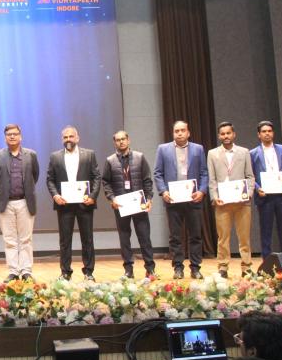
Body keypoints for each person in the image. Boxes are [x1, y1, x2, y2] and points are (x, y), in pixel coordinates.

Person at [153, 120, 208, 280]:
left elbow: (204, 173)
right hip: (173, 200)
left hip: (193, 199)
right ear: (173, 133)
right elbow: (158, 173)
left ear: (188, 133)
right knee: (175, 236)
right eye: (176, 131)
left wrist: (202, 191)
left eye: (183, 130)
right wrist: (163, 191)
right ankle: (178, 268)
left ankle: (195, 268)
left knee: (195, 235)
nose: (180, 133)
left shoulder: (198, 149)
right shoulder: (163, 149)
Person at [46, 125, 101, 281]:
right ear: (62, 139)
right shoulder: (55, 157)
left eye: (71, 136)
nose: (68, 139)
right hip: (64, 205)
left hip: (85, 203)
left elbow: (96, 177)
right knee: (65, 240)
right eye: (65, 137)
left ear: (77, 138)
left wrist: (93, 196)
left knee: (87, 239)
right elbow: (50, 179)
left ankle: (88, 272)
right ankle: (65, 272)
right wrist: (56, 195)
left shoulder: (89, 155)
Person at [101, 130, 156, 279]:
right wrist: (112, 199)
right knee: (124, 238)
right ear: (115, 143)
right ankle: (128, 270)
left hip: (139, 203)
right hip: (121, 205)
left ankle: (150, 269)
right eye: (118, 140)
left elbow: (147, 180)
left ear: (128, 140)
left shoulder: (139, 157)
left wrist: (149, 199)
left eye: (123, 139)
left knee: (144, 236)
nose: (121, 142)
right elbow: (106, 182)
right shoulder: (110, 160)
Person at [0, 124, 39, 283]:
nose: (12, 136)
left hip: (25, 202)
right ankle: (13, 271)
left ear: (20, 136)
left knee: (26, 239)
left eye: (15, 134)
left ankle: (26, 271)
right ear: (5, 137)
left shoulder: (31, 155)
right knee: (9, 240)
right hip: (6, 204)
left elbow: (35, 176)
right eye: (9, 134)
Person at [207, 122, 255, 278]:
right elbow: (212, 179)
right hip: (222, 203)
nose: (226, 136)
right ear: (219, 136)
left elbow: (250, 176)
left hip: (242, 202)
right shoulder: (212, 154)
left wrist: (248, 193)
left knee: (244, 237)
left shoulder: (244, 152)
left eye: (228, 133)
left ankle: (246, 266)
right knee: (223, 238)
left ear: (234, 134)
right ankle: (223, 267)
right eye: (222, 134)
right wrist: (215, 197)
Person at [250, 120, 282, 258]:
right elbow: (250, 176)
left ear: (273, 133)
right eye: (264, 131)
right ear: (259, 134)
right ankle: (266, 263)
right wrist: (257, 188)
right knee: (266, 232)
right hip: (265, 197)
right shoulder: (253, 153)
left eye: (269, 131)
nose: (267, 134)